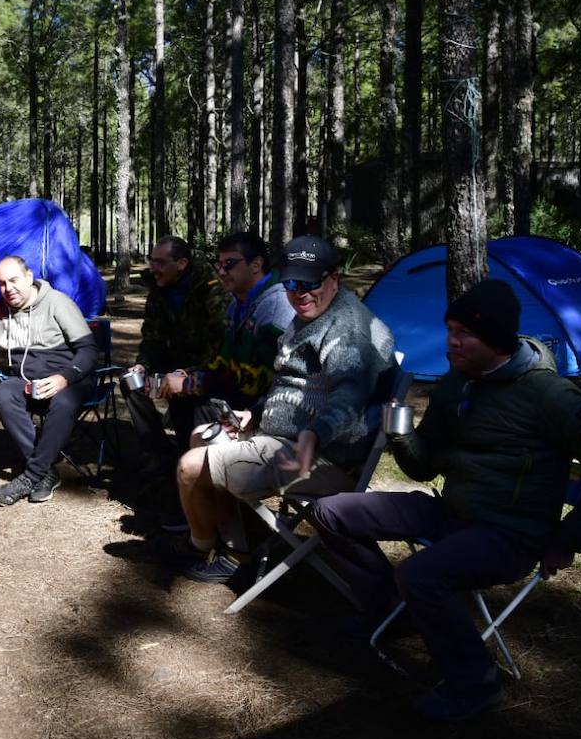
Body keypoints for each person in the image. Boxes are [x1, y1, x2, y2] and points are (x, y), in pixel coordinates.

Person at [310, 279, 581, 722]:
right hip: (451, 512)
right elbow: (423, 467)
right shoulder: (458, 382)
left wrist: (568, 539)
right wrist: (401, 433)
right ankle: (393, 612)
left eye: (465, 333)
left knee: (420, 574)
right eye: (450, 329)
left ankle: (476, 683)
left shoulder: (550, 396)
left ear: (496, 339)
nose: (451, 341)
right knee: (331, 511)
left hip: (509, 534)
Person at [174, 235, 395, 584]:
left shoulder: (348, 330)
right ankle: (234, 548)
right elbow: (292, 382)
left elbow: (349, 395)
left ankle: (199, 546)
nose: (299, 293)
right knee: (202, 436)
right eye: (291, 284)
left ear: (334, 279)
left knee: (190, 467)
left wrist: (315, 435)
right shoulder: (311, 315)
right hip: (288, 439)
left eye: (310, 283)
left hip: (323, 458)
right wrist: (256, 412)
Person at [0, 256, 98, 506]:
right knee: (4, 393)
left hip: (72, 378)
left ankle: (31, 475)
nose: (8, 288)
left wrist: (64, 377)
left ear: (29, 277)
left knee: (63, 402)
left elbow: (88, 350)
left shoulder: (57, 303)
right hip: (29, 382)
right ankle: (46, 473)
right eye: (2, 283)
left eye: (14, 280)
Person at [122, 235, 228, 477]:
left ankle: (192, 453)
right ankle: (157, 450)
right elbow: (153, 334)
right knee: (130, 383)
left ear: (181, 264)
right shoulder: (159, 286)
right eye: (151, 261)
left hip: (206, 365)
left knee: (187, 407)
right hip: (174, 358)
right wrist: (142, 365)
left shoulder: (212, 286)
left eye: (160, 262)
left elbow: (220, 341)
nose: (153, 268)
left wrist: (187, 373)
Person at [161, 231, 294, 410]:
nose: (221, 272)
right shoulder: (236, 304)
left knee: (199, 402)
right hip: (243, 397)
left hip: (270, 407)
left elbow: (261, 381)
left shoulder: (277, 306)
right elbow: (224, 362)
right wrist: (187, 375)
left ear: (256, 265)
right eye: (219, 264)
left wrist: (192, 384)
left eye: (229, 264)